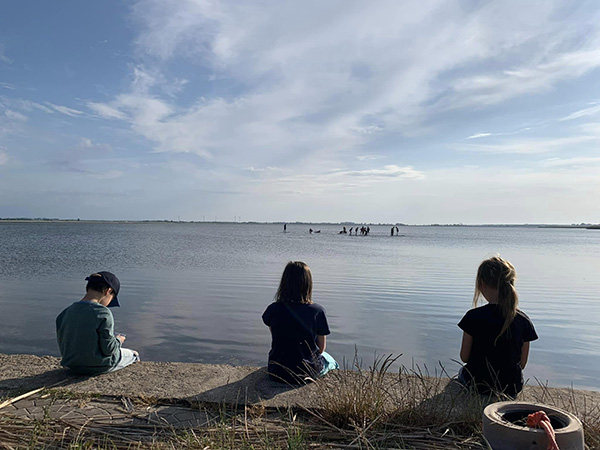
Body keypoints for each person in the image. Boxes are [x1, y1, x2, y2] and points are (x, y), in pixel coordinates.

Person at [458, 257, 537, 398]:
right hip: (511, 387)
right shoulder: (523, 320)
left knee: (461, 372)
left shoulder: (473, 316)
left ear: (481, 284)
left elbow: (464, 357)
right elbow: (522, 363)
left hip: (478, 385)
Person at [262, 261, 339, 384]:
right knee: (332, 362)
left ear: (284, 283)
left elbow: (277, 338)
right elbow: (321, 348)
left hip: (276, 371)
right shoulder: (317, 312)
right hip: (307, 372)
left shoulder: (273, 309)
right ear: (308, 284)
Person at [56, 271, 140, 375]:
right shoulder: (103, 313)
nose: (108, 304)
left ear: (88, 288)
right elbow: (109, 350)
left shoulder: (64, 313)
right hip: (99, 366)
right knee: (134, 355)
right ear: (107, 291)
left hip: (72, 365)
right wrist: (118, 340)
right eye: (112, 298)